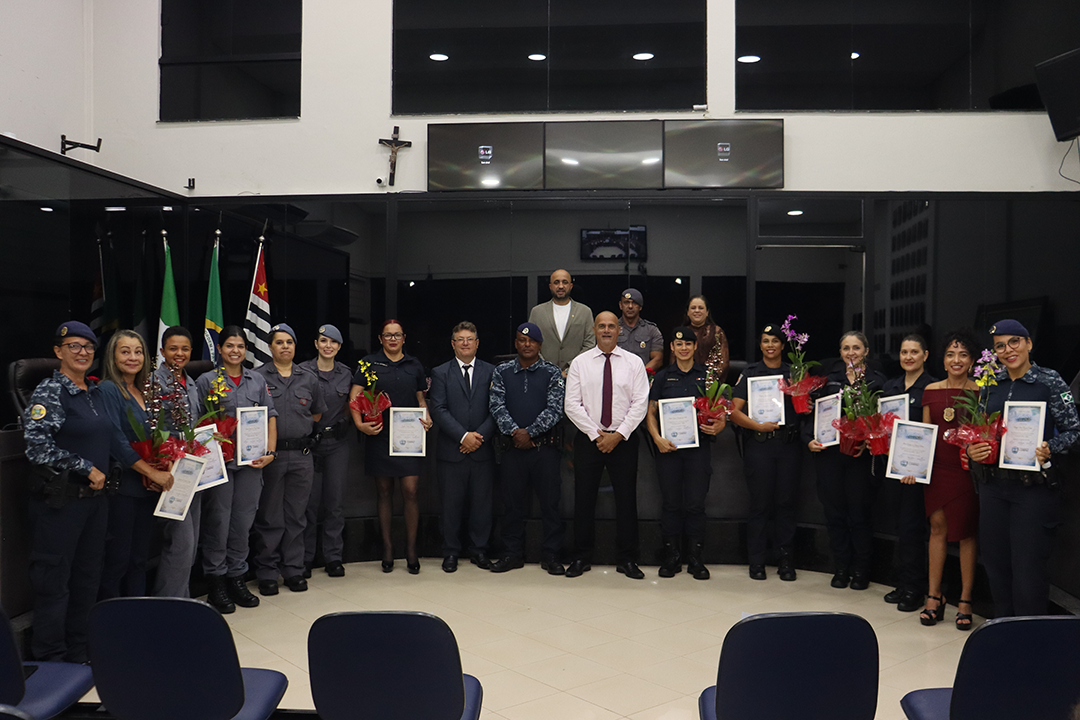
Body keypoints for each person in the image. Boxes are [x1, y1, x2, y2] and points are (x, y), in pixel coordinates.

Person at [23, 321, 172, 661]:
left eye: (88, 347)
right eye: (73, 346)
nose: (82, 353)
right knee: (54, 582)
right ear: (58, 352)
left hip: (96, 502)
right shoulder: (51, 391)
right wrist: (85, 467)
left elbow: (114, 441)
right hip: (60, 503)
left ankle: (81, 649)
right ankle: (50, 656)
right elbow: (36, 448)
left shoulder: (92, 394)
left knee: (88, 579)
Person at [966, 319, 1080, 617]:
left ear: (1028, 343)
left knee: (1029, 570)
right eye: (1000, 346)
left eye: (1014, 342)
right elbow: (979, 431)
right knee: (995, 564)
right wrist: (972, 449)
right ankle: (1003, 631)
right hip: (992, 488)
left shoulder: (1049, 381)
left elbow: (1074, 431)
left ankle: (1030, 639)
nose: (1007, 350)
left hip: (1033, 492)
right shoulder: (990, 385)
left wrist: (1050, 448)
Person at [196, 326, 277, 612]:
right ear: (219, 349)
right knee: (218, 521)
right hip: (220, 465)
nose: (235, 351)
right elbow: (197, 424)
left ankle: (237, 577)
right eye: (229, 346)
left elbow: (270, 417)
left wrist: (270, 451)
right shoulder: (206, 381)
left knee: (243, 522)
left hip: (251, 464)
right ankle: (216, 581)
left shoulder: (257, 380)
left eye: (240, 346)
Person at [564, 311, 650, 579]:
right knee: (584, 499)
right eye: (601, 326)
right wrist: (597, 434)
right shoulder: (580, 363)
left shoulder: (634, 363)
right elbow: (571, 405)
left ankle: (627, 559)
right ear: (594, 329)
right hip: (590, 439)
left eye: (611, 326)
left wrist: (618, 434)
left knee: (626, 500)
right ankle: (581, 557)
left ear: (619, 330)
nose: (607, 330)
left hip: (623, 440)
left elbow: (640, 403)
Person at [904, 330, 979, 628]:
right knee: (937, 529)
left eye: (962, 354)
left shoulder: (980, 392)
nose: (956, 359)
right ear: (943, 359)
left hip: (965, 472)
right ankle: (934, 595)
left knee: (966, 532)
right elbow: (924, 435)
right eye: (950, 354)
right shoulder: (931, 391)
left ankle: (965, 598)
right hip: (936, 470)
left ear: (972, 361)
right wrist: (911, 466)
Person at [806, 330, 887, 591]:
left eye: (856, 348)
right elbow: (812, 416)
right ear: (840, 353)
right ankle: (841, 567)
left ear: (866, 351)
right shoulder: (828, 382)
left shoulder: (878, 382)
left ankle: (862, 570)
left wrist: (871, 438)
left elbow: (887, 420)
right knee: (835, 513)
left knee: (859, 514)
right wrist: (809, 439)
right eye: (845, 348)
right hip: (830, 457)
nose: (851, 352)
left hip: (860, 459)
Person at [351, 319, 431, 574]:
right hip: (379, 436)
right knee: (384, 491)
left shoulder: (414, 364)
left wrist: (426, 417)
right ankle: (386, 549)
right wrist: (359, 425)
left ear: (404, 338)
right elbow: (354, 396)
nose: (393, 339)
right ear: (380, 338)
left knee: (410, 491)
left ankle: (410, 550)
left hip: (408, 437)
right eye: (388, 335)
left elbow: (421, 398)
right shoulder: (369, 363)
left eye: (397, 335)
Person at [645, 326, 725, 580]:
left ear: (694, 347)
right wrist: (657, 438)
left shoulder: (707, 376)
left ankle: (695, 558)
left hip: (698, 450)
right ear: (672, 347)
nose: (683, 348)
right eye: (678, 344)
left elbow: (720, 410)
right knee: (670, 503)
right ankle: (672, 557)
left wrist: (719, 424)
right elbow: (650, 412)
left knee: (695, 504)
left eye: (688, 344)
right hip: (668, 450)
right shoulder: (662, 377)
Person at [487, 322, 566, 574]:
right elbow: (496, 406)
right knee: (511, 505)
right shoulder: (502, 372)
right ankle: (512, 554)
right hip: (512, 449)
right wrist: (515, 432)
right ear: (516, 343)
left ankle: (551, 555)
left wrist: (529, 432)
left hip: (545, 450)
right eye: (522, 340)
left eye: (532, 341)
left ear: (540, 345)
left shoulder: (552, 373)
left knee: (551, 505)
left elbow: (556, 409)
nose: (527, 344)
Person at [253, 323, 326, 595]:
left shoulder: (309, 378)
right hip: (271, 456)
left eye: (290, 342)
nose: (285, 346)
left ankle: (293, 570)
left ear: (296, 347)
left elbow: (316, 414)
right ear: (270, 347)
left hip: (301, 456)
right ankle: (267, 571)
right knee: (270, 516)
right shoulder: (258, 377)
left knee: (297, 515)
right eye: (279, 342)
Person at [730, 323, 801, 581]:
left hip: (788, 446)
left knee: (785, 505)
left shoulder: (794, 373)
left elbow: (805, 409)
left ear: (782, 345)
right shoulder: (750, 374)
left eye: (775, 341)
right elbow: (733, 411)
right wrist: (757, 425)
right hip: (759, 445)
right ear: (760, 346)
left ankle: (785, 561)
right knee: (759, 505)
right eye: (765, 341)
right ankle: (756, 562)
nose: (770, 345)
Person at [98, 330, 165, 599]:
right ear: (113, 356)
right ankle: (110, 621)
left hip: (147, 488)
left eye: (138, 352)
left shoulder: (146, 390)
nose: (133, 357)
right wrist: (150, 471)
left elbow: (160, 433)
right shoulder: (108, 390)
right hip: (123, 488)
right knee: (118, 559)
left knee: (140, 558)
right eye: (125, 351)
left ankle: (137, 615)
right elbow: (115, 440)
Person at [428, 321, 496, 572]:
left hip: (482, 450)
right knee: (451, 506)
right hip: (451, 451)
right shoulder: (440, 372)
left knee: (482, 505)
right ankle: (451, 552)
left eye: (470, 339)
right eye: (460, 339)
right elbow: (438, 409)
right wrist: (463, 436)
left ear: (477, 343)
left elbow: (496, 409)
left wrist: (478, 436)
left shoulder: (491, 371)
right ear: (453, 344)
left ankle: (479, 551)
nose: (465, 343)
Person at [880, 334, 936, 612]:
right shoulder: (890, 388)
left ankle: (915, 588)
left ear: (925, 355)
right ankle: (902, 583)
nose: (908, 357)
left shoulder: (932, 387)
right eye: (904, 352)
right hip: (892, 469)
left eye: (914, 352)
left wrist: (915, 466)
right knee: (900, 527)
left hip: (916, 472)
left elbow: (930, 434)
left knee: (913, 528)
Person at [152, 326, 204, 599]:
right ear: (162, 352)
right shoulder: (154, 383)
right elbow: (151, 431)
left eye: (184, 349)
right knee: (180, 542)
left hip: (191, 471)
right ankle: (169, 603)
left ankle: (182, 599)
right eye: (173, 348)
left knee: (191, 543)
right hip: (168, 473)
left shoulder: (191, 382)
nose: (179, 354)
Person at [298, 323, 352, 578]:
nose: (328, 346)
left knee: (335, 503)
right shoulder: (302, 372)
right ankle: (306, 558)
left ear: (339, 347)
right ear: (317, 344)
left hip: (337, 445)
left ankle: (333, 557)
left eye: (333, 342)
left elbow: (352, 406)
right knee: (307, 504)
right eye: (323, 341)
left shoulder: (347, 375)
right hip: (309, 444)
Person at [528, 268, 595, 375]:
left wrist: (569, 369)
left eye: (565, 282)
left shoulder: (584, 311)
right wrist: (546, 368)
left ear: (570, 286)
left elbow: (589, 345)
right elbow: (531, 343)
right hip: (543, 375)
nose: (560, 286)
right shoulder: (537, 312)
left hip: (576, 374)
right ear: (550, 286)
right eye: (556, 282)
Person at [683, 295, 730, 384]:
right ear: (688, 312)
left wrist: (709, 381)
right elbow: (674, 361)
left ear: (707, 312)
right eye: (693, 308)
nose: (697, 310)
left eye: (701, 308)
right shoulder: (682, 333)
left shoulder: (716, 332)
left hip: (710, 384)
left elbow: (723, 362)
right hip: (685, 382)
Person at [616, 288, 664, 370]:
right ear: (620, 305)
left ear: (640, 307)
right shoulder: (612, 328)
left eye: (634, 303)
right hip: (616, 377)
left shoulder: (651, 330)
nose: (630, 306)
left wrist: (639, 375)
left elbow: (657, 359)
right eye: (626, 302)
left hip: (643, 378)